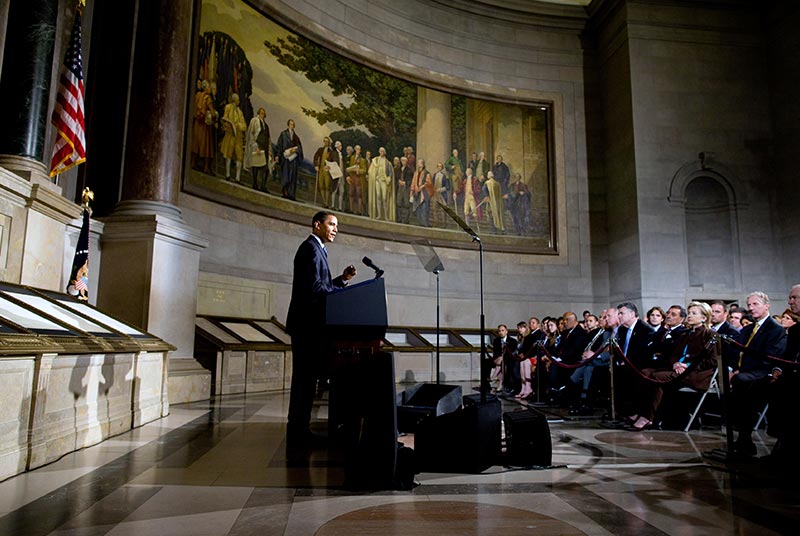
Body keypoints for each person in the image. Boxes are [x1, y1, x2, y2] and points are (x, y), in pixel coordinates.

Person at [285, 211, 357, 447]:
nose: (335, 229)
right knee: (304, 380)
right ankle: (298, 431)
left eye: (337, 225)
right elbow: (315, 288)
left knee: (307, 379)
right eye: (331, 224)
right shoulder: (310, 249)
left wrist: (342, 281)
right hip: (306, 325)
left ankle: (300, 429)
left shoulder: (317, 250)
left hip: (310, 326)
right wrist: (342, 294)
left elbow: (321, 285)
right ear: (317, 225)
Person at [629, 302, 719, 431]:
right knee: (645, 372)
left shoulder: (709, 335)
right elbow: (674, 355)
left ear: (704, 318)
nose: (690, 316)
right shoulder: (686, 334)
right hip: (678, 369)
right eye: (689, 313)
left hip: (696, 374)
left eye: (694, 313)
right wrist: (676, 363)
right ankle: (643, 411)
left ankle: (650, 417)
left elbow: (712, 360)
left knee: (656, 377)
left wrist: (687, 365)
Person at [728, 291, 787, 457]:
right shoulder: (747, 330)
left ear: (766, 306)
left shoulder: (775, 330)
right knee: (737, 386)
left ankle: (744, 437)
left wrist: (740, 371)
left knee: (742, 384)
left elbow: (770, 357)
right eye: (749, 305)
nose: (751, 308)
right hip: (745, 372)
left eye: (755, 304)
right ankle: (743, 437)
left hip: (761, 372)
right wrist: (732, 369)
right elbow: (735, 352)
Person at [191, 80, 216, 174]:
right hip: (205, 125)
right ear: (206, 88)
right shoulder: (207, 98)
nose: (210, 89)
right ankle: (206, 168)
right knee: (206, 145)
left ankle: (193, 163)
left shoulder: (197, 95)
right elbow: (212, 113)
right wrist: (215, 118)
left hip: (197, 123)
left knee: (195, 143)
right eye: (209, 87)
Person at [220, 93, 247, 182]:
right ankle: (227, 174)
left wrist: (239, 125)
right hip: (230, 134)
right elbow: (225, 119)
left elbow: (244, 125)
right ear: (234, 100)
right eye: (238, 100)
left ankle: (237, 177)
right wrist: (230, 125)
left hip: (238, 136)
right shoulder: (228, 107)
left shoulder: (240, 112)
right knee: (228, 154)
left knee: (239, 156)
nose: (238, 101)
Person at [244, 107, 270, 191]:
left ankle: (263, 186)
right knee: (255, 166)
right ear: (258, 113)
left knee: (266, 168)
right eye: (261, 113)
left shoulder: (266, 125)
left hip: (264, 147)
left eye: (264, 113)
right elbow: (251, 134)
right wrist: (255, 146)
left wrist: (269, 150)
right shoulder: (254, 121)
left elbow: (268, 138)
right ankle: (254, 184)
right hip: (258, 146)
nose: (262, 114)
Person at [277, 119, 303, 200]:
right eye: (291, 124)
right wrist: (278, 155)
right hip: (286, 159)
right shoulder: (283, 134)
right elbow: (280, 146)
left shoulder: (296, 137)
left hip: (293, 160)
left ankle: (291, 194)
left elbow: (299, 148)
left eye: (293, 124)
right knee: (286, 176)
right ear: (288, 125)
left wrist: (295, 150)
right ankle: (285, 192)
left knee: (292, 177)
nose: (292, 125)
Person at [368, 147, 395, 221]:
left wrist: (388, 178)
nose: (381, 152)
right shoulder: (376, 160)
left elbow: (390, 173)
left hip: (383, 181)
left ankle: (385, 215)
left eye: (383, 151)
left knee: (384, 198)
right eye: (380, 151)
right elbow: (371, 171)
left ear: (385, 152)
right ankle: (379, 215)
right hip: (377, 180)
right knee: (378, 197)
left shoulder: (387, 162)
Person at [313, 137, 335, 207]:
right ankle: (324, 202)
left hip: (327, 171)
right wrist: (316, 165)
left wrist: (330, 166)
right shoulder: (320, 150)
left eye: (327, 141)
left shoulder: (331, 152)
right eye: (324, 141)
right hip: (321, 170)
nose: (326, 143)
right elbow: (315, 158)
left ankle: (326, 202)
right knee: (321, 185)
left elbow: (333, 161)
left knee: (327, 185)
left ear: (329, 143)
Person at [410, 159, 432, 226]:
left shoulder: (427, 173)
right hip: (417, 193)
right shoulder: (416, 173)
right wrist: (412, 192)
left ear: (422, 164)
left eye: (419, 163)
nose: (418, 164)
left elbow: (429, 183)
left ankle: (425, 224)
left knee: (424, 209)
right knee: (418, 209)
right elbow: (413, 183)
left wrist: (421, 187)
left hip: (425, 193)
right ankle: (420, 223)